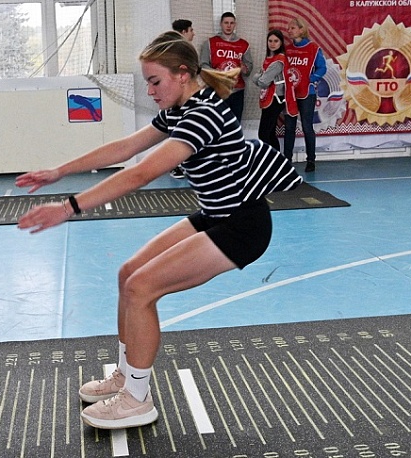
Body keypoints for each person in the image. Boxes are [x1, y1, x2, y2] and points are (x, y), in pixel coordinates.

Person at [16, 31, 302, 430]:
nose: (149, 90)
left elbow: (143, 172)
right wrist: (58, 172)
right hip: (215, 214)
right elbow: (125, 148)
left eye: (155, 81)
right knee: (127, 275)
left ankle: (136, 398)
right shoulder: (181, 109)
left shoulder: (203, 113)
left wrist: (69, 207)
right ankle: (125, 373)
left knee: (141, 288)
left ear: (182, 74)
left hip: (241, 226)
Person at [283, 17, 326, 173]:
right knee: (289, 127)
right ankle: (287, 161)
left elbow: (322, 68)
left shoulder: (313, 48)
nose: (289, 30)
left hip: (307, 93)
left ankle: (311, 160)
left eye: (292, 28)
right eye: (288, 28)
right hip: (290, 94)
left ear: (301, 29)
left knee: (307, 127)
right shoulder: (287, 49)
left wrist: (311, 79)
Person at [200, 12, 253, 123]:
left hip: (237, 90)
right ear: (221, 24)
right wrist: (217, 74)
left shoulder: (244, 44)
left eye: (231, 23)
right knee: (216, 123)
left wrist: (245, 69)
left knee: (235, 123)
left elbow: (249, 68)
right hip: (217, 89)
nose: (229, 26)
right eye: (226, 23)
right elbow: (203, 65)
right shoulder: (210, 43)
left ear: (235, 25)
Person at [252, 29, 297, 151]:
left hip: (275, 99)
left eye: (276, 41)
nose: (272, 43)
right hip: (270, 98)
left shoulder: (278, 61)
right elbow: (262, 79)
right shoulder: (270, 58)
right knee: (270, 133)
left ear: (281, 43)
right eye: (270, 41)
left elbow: (262, 81)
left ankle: (269, 161)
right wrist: (261, 77)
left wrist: (258, 77)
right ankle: (276, 160)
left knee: (264, 133)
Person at [168, 19, 195, 180]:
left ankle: (183, 163)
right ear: (184, 32)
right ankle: (175, 165)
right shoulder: (174, 49)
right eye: (191, 30)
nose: (193, 33)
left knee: (185, 127)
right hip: (175, 95)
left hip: (184, 95)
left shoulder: (183, 49)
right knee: (176, 128)